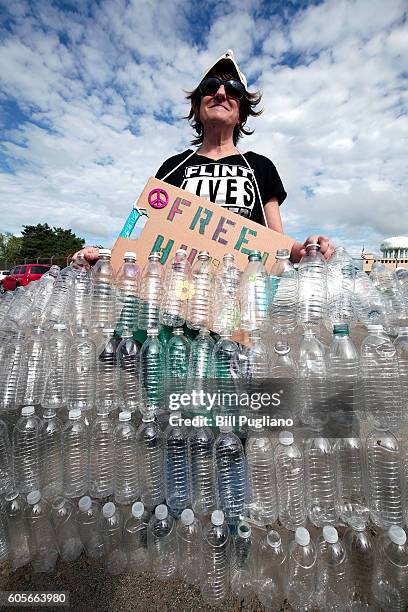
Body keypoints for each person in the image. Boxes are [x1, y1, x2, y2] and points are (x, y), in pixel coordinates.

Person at [73, 49, 334, 264]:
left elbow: (278, 243)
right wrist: (101, 258)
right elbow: (146, 238)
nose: (221, 93)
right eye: (211, 87)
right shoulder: (173, 166)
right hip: (174, 304)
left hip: (239, 304)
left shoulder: (260, 167)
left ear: (242, 112)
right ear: (197, 107)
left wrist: (307, 249)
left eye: (233, 89)